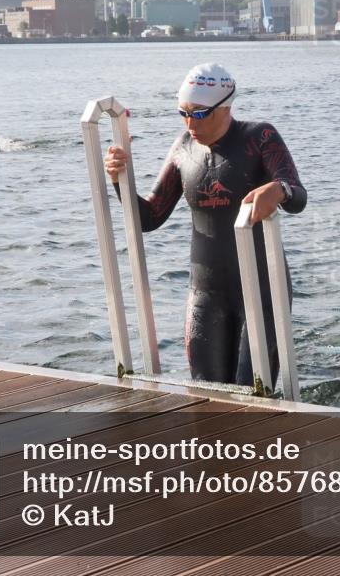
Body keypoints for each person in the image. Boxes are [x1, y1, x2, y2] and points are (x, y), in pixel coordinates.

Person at [104, 63, 307, 388]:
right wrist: (120, 181)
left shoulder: (259, 137)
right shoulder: (183, 148)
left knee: (252, 392)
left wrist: (278, 190)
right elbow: (150, 217)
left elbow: (297, 195)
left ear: (225, 107)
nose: (189, 122)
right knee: (204, 396)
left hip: (262, 290)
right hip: (205, 294)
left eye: (199, 114)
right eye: (183, 113)